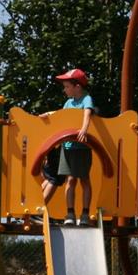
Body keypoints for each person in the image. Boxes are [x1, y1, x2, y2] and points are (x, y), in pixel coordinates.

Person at [53, 68, 95, 225]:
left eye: (67, 86)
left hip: (81, 147)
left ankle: (85, 214)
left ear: (77, 86)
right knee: (70, 180)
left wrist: (84, 129)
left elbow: (87, 114)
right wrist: (49, 115)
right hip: (68, 146)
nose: (64, 90)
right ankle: (70, 214)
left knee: (84, 179)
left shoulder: (86, 99)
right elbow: (60, 117)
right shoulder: (68, 103)